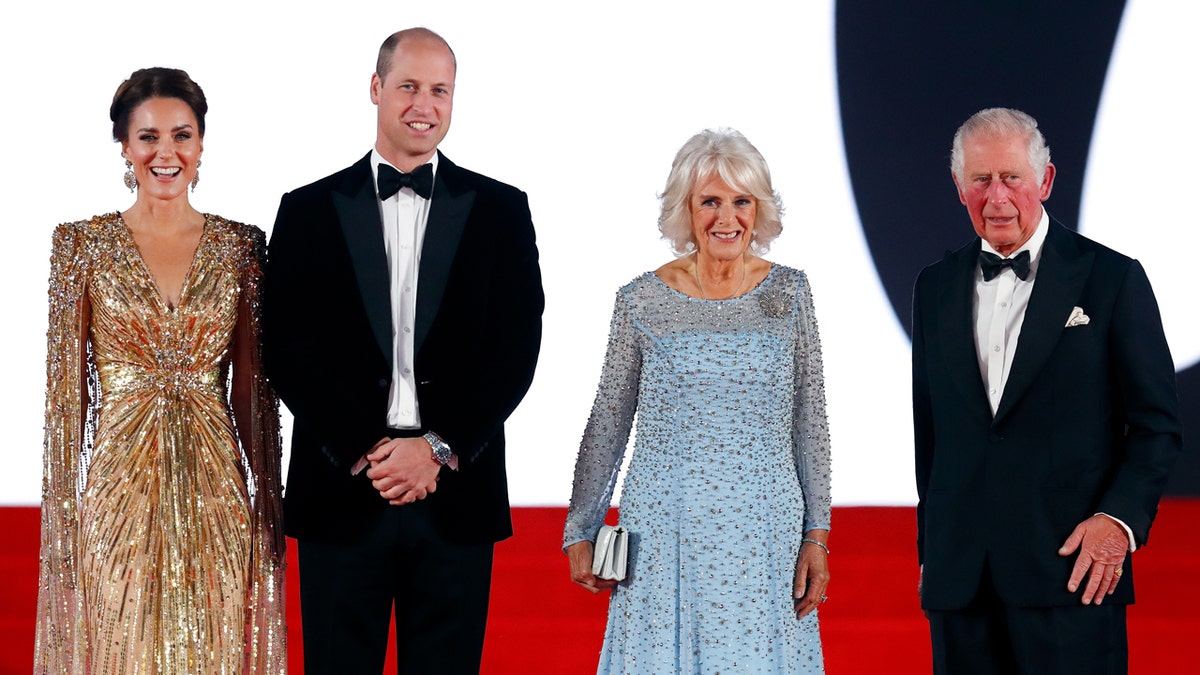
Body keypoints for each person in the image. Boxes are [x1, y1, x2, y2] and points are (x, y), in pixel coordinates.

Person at [263, 27, 543, 674]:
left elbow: (515, 348)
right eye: (410, 86)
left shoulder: (502, 209)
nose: (425, 104)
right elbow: (287, 345)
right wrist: (368, 448)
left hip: (455, 495)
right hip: (342, 490)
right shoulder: (306, 209)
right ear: (376, 89)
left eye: (440, 90)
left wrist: (437, 448)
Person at [912, 107, 1183, 674]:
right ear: (959, 187)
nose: (997, 197)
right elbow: (932, 437)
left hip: (1072, 573)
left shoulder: (1112, 279)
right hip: (961, 581)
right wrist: (931, 551)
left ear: (1046, 180)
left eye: (1011, 177)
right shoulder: (933, 287)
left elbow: (1156, 428)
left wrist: (1118, 521)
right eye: (981, 180)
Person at [35, 67, 286, 674]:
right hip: (118, 487)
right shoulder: (82, 246)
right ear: (123, 145)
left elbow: (254, 391)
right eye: (147, 137)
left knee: (216, 651)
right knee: (123, 648)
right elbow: (64, 397)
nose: (165, 153)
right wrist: (66, 510)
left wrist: (267, 503)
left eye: (182, 135)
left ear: (201, 145)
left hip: (217, 488)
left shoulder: (243, 247)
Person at [563, 128, 832, 673]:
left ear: (759, 211)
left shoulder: (791, 293)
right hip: (664, 530)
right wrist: (580, 529)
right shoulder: (640, 299)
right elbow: (609, 419)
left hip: (765, 533)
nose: (725, 217)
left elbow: (810, 420)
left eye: (740, 201)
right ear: (686, 209)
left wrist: (817, 536)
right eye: (709, 201)